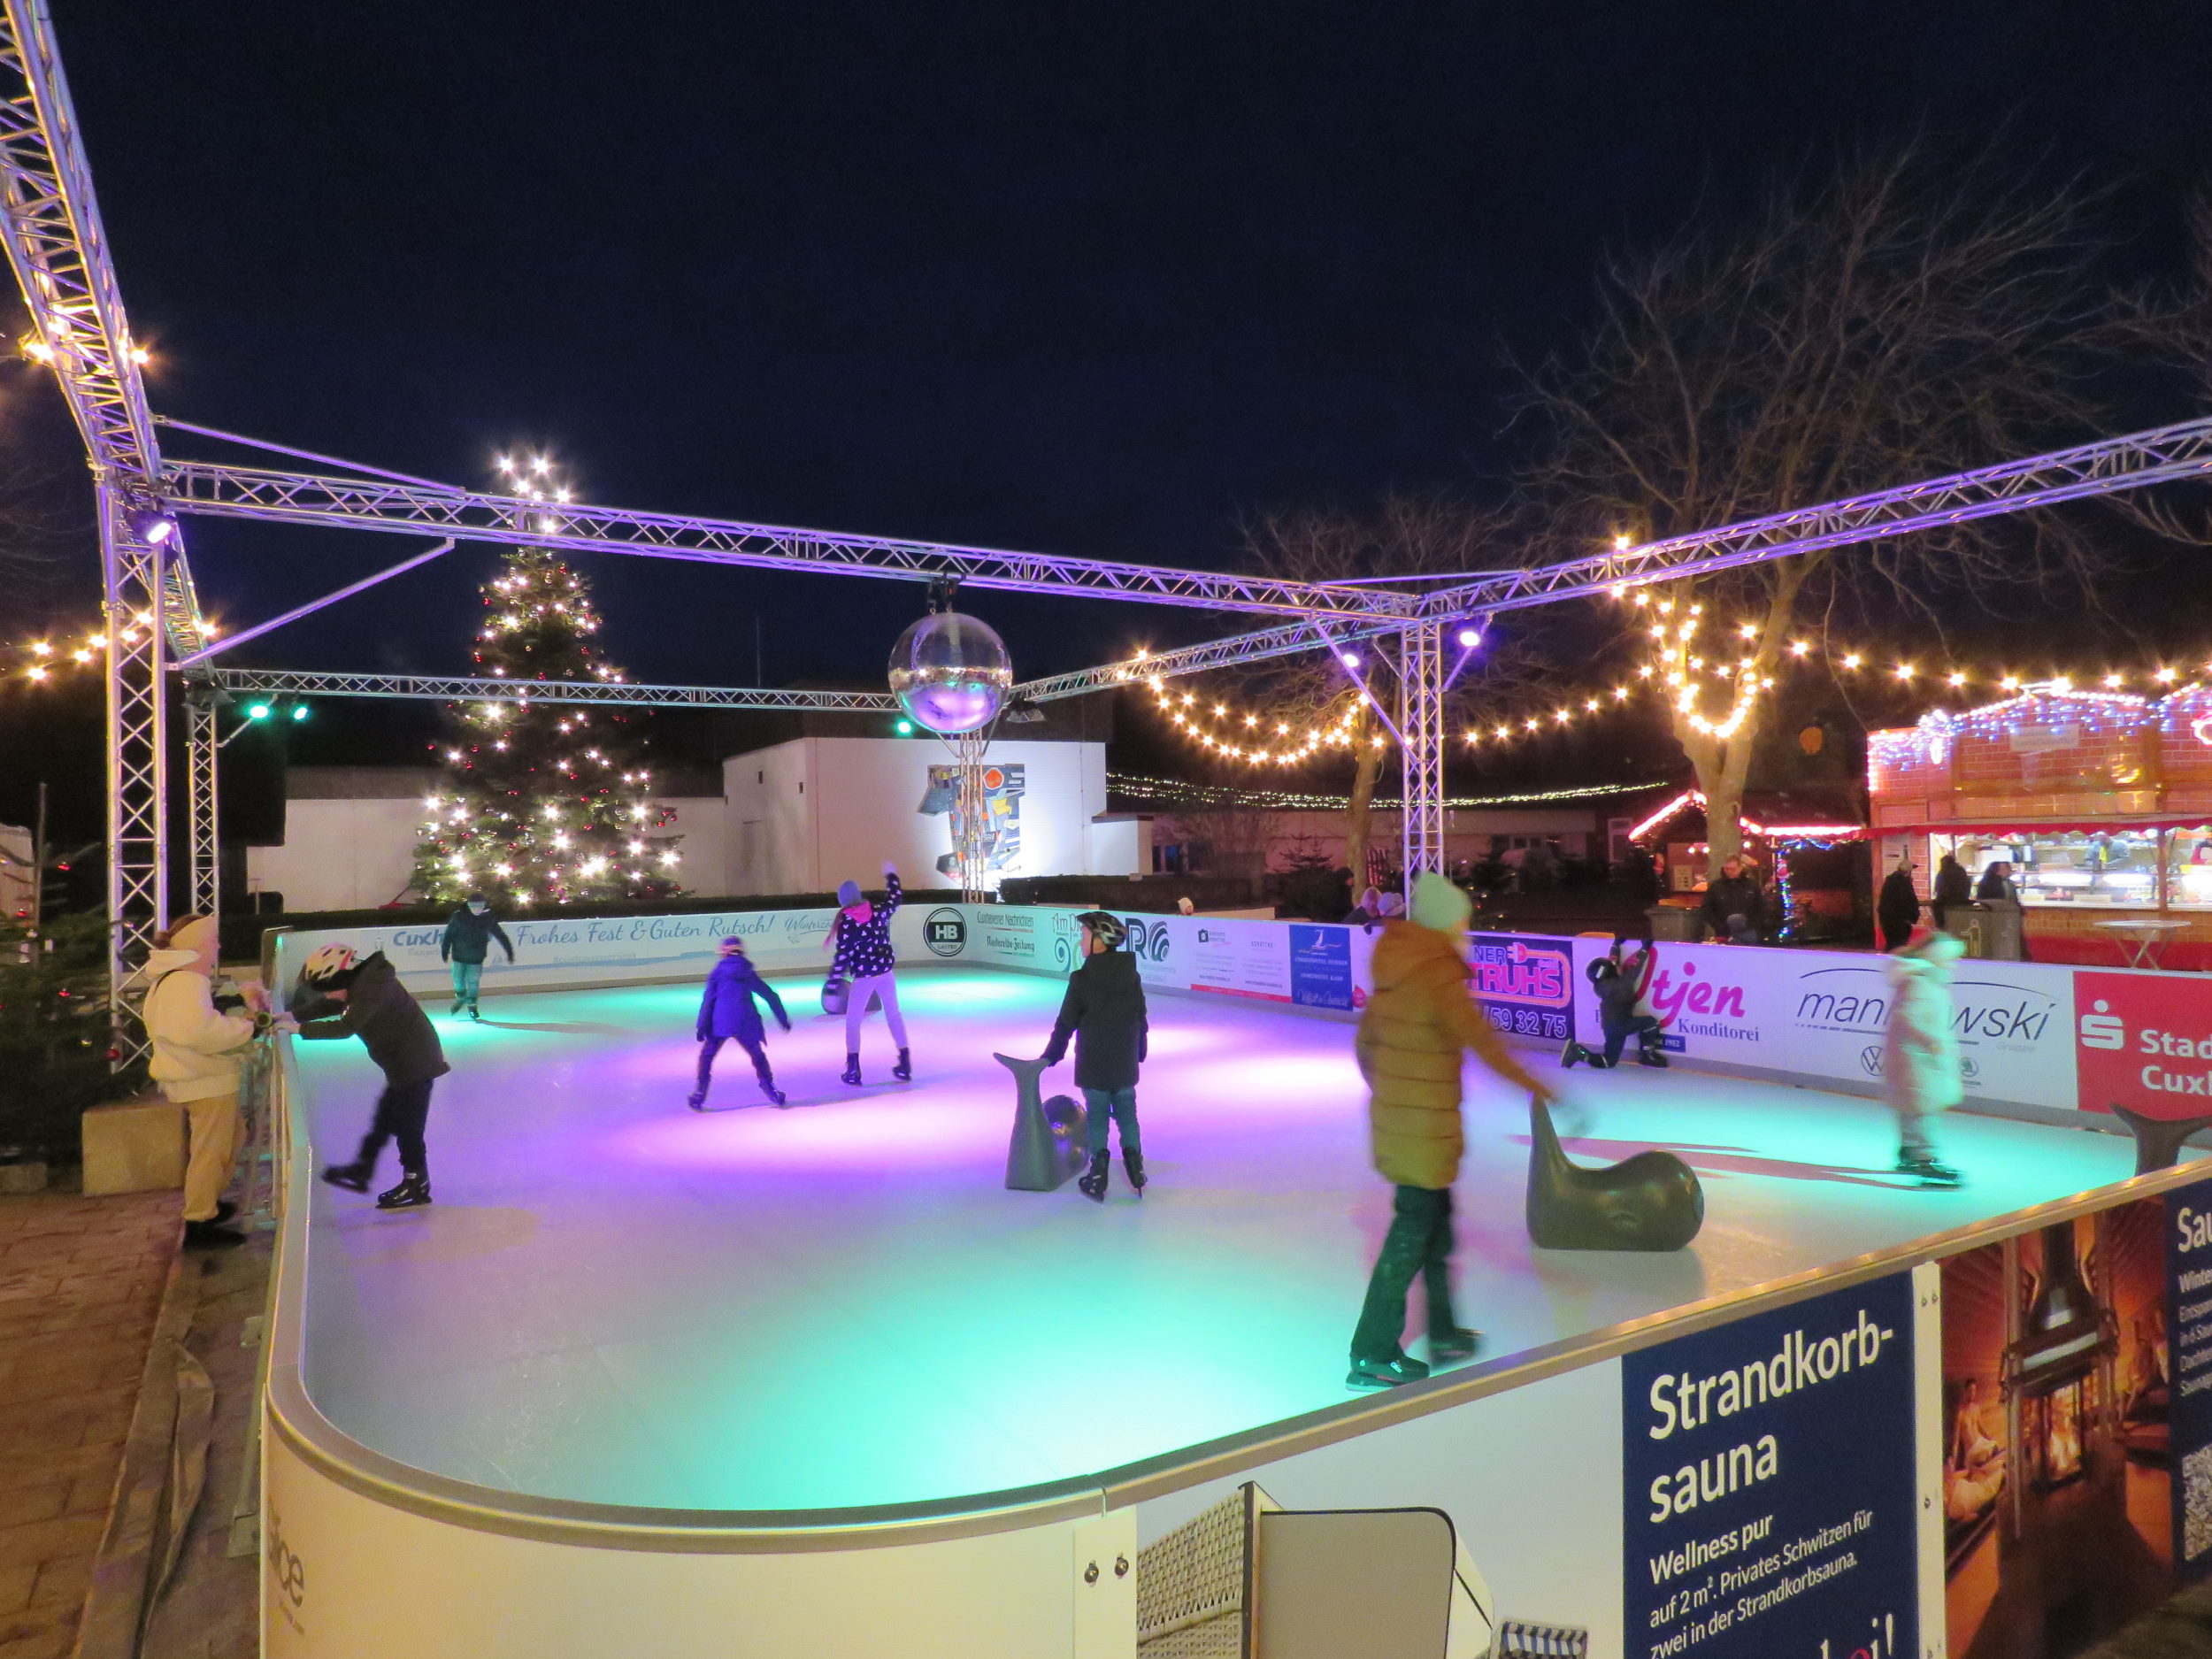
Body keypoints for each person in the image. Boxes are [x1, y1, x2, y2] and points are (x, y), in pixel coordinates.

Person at [1348, 872, 1557, 1390]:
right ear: (1446, 924)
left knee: (1437, 1231)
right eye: (1463, 922)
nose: (1466, 932)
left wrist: (1395, 1096)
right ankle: (1371, 1352)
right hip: (1423, 1132)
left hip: (1402, 1127)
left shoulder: (1396, 969)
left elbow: (1365, 1049)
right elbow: (1485, 1043)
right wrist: (1543, 1088)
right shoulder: (1437, 972)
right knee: (1412, 1235)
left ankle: (1442, 1334)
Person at [142, 914, 268, 1248]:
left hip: (201, 1078)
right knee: (211, 1151)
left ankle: (207, 1205)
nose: (218, 947)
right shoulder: (185, 981)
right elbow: (196, 1031)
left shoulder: (174, 980)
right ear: (197, 946)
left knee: (228, 1140)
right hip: (203, 1080)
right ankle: (199, 1219)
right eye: (213, 941)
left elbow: (193, 1027)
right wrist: (247, 1028)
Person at [301, 945, 451, 1210]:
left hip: (414, 1062)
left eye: (326, 987)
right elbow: (331, 1004)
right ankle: (363, 1169)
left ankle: (416, 1183)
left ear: (339, 978)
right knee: (386, 1119)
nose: (326, 994)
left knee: (409, 1128)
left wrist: (298, 1028)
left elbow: (345, 1027)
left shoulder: (370, 987)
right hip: (401, 1060)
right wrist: (290, 1016)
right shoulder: (362, 981)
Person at [1040, 910, 1150, 1202]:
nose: (1080, 943)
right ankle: (1136, 1167)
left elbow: (1066, 1023)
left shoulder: (1082, 979)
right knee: (1128, 1115)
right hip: (1124, 1064)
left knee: (1098, 1118)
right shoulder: (1131, 975)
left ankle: (1098, 1175)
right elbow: (1140, 1016)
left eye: (1084, 937)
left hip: (1095, 1065)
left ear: (1100, 942)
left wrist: (1051, 1055)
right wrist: (1139, 1050)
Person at [1883, 926, 1965, 1187]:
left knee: (1912, 1105)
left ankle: (1908, 1151)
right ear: (1937, 957)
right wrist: (1933, 1040)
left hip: (1911, 1055)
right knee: (1924, 1107)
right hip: (1918, 1058)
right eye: (1951, 959)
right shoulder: (1921, 980)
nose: (1954, 965)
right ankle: (1928, 1159)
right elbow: (1909, 1017)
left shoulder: (1921, 977)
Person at [827, 862, 909, 1085]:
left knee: (853, 1022)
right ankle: (905, 1061)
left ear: (843, 901)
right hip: (885, 973)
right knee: (894, 1015)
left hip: (863, 978)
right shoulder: (878, 912)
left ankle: (853, 1069)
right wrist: (891, 875)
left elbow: (843, 956)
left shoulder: (847, 924)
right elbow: (895, 898)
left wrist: (833, 982)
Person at [689, 936, 790, 1110]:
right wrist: (782, 1019)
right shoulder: (747, 972)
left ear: (724, 953)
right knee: (757, 1056)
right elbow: (770, 995)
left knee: (707, 1056)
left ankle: (700, 1092)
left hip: (720, 1022)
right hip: (745, 1021)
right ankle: (771, 1088)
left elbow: (708, 1001)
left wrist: (702, 1025)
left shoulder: (717, 973)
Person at [1562, 941, 1666, 1070]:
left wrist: (1615, 946)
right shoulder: (1621, 985)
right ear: (1611, 973)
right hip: (1621, 1024)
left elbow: (1612, 963)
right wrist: (1644, 949)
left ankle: (1579, 1053)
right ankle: (1647, 1055)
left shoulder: (1602, 984)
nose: (1618, 966)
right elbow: (1636, 969)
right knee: (1651, 1023)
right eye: (1614, 967)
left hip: (1610, 1026)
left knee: (1608, 1061)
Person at [440, 893, 515, 1020]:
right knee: (458, 981)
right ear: (468, 905)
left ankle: (472, 1006)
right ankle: (460, 998)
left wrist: (509, 951)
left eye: (480, 905)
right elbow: (448, 934)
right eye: (474, 905)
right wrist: (445, 950)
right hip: (458, 957)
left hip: (476, 958)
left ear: (484, 905)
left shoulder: (488, 918)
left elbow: (500, 935)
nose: (477, 908)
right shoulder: (459, 917)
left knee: (473, 982)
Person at [1700, 855, 1763, 944]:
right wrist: (1719, 926)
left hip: (1747, 931)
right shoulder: (1716, 886)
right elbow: (1707, 909)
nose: (1729, 872)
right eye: (1727, 869)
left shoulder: (1751, 885)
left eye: (1733, 869)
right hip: (1723, 932)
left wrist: (1751, 924)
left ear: (1740, 868)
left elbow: (1760, 907)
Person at [1878, 856, 1923, 952]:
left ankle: (1886, 962)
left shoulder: (1889, 881)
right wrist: (1912, 917)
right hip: (1900, 921)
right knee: (1899, 945)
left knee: (1891, 944)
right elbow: (1908, 902)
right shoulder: (1904, 883)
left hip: (1887, 919)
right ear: (1908, 871)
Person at [1932, 854, 1973, 933]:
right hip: (1962, 905)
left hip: (1945, 906)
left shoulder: (1943, 872)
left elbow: (1939, 889)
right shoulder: (1961, 871)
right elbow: (1967, 886)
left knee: (1945, 930)